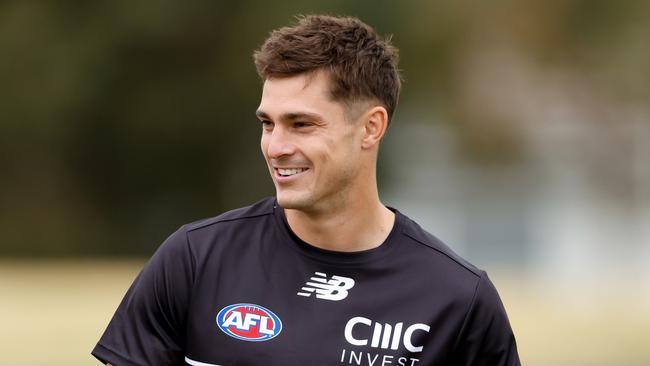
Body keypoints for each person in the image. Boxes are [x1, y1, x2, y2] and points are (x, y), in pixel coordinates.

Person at [93, 15, 520, 366]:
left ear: (371, 128)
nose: (276, 147)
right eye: (267, 123)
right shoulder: (194, 259)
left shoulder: (458, 301)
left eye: (301, 124)